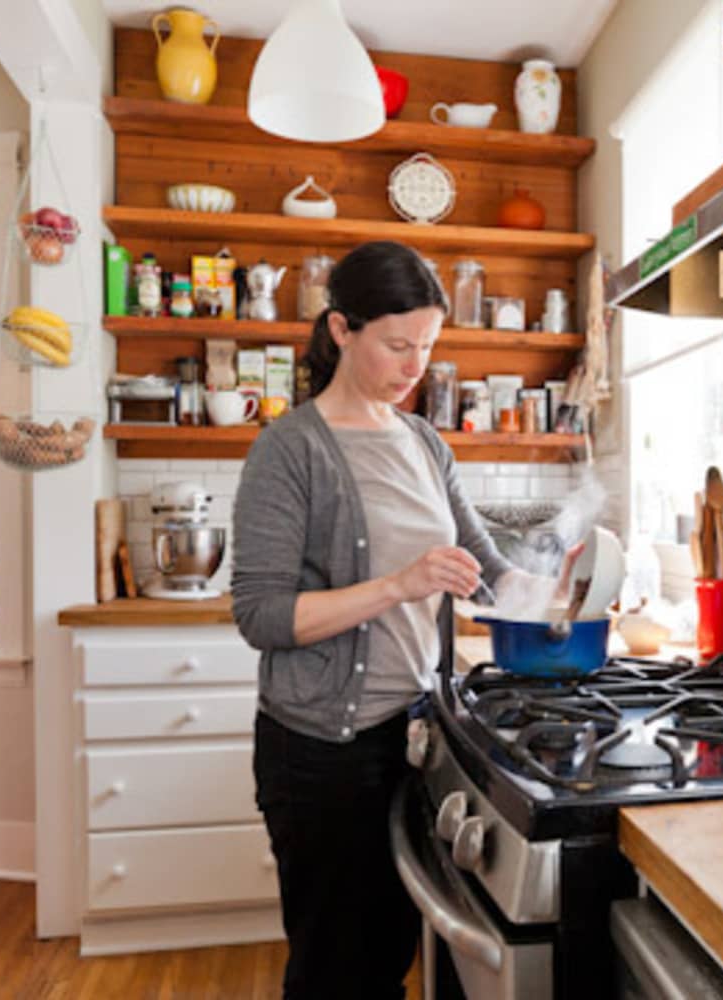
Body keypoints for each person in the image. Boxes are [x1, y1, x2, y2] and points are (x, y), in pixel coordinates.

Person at [231, 240, 574, 999]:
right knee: (335, 971)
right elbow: (260, 614)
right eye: (396, 344)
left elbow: (485, 565)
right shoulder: (289, 450)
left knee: (388, 953)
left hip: (416, 737)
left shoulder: (421, 440)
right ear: (340, 330)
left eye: (426, 345)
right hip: (322, 751)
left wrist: (563, 586)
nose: (414, 364)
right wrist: (399, 584)